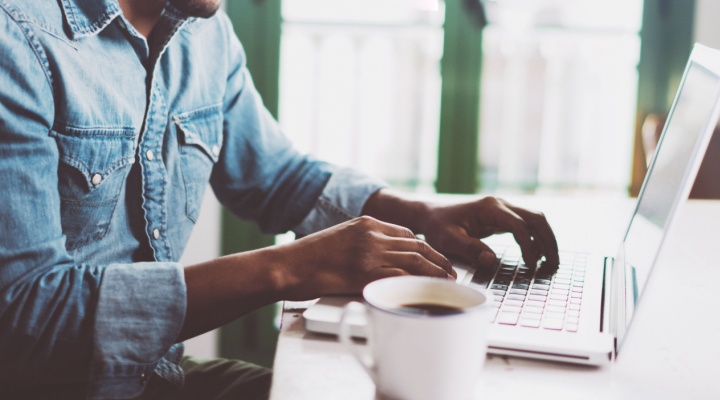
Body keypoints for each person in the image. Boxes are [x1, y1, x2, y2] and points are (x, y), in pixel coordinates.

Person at [0, 0, 559, 398]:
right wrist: (292, 268)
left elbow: (277, 177)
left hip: (156, 377)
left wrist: (422, 217)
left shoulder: (204, 32)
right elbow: (24, 316)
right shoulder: (16, 38)